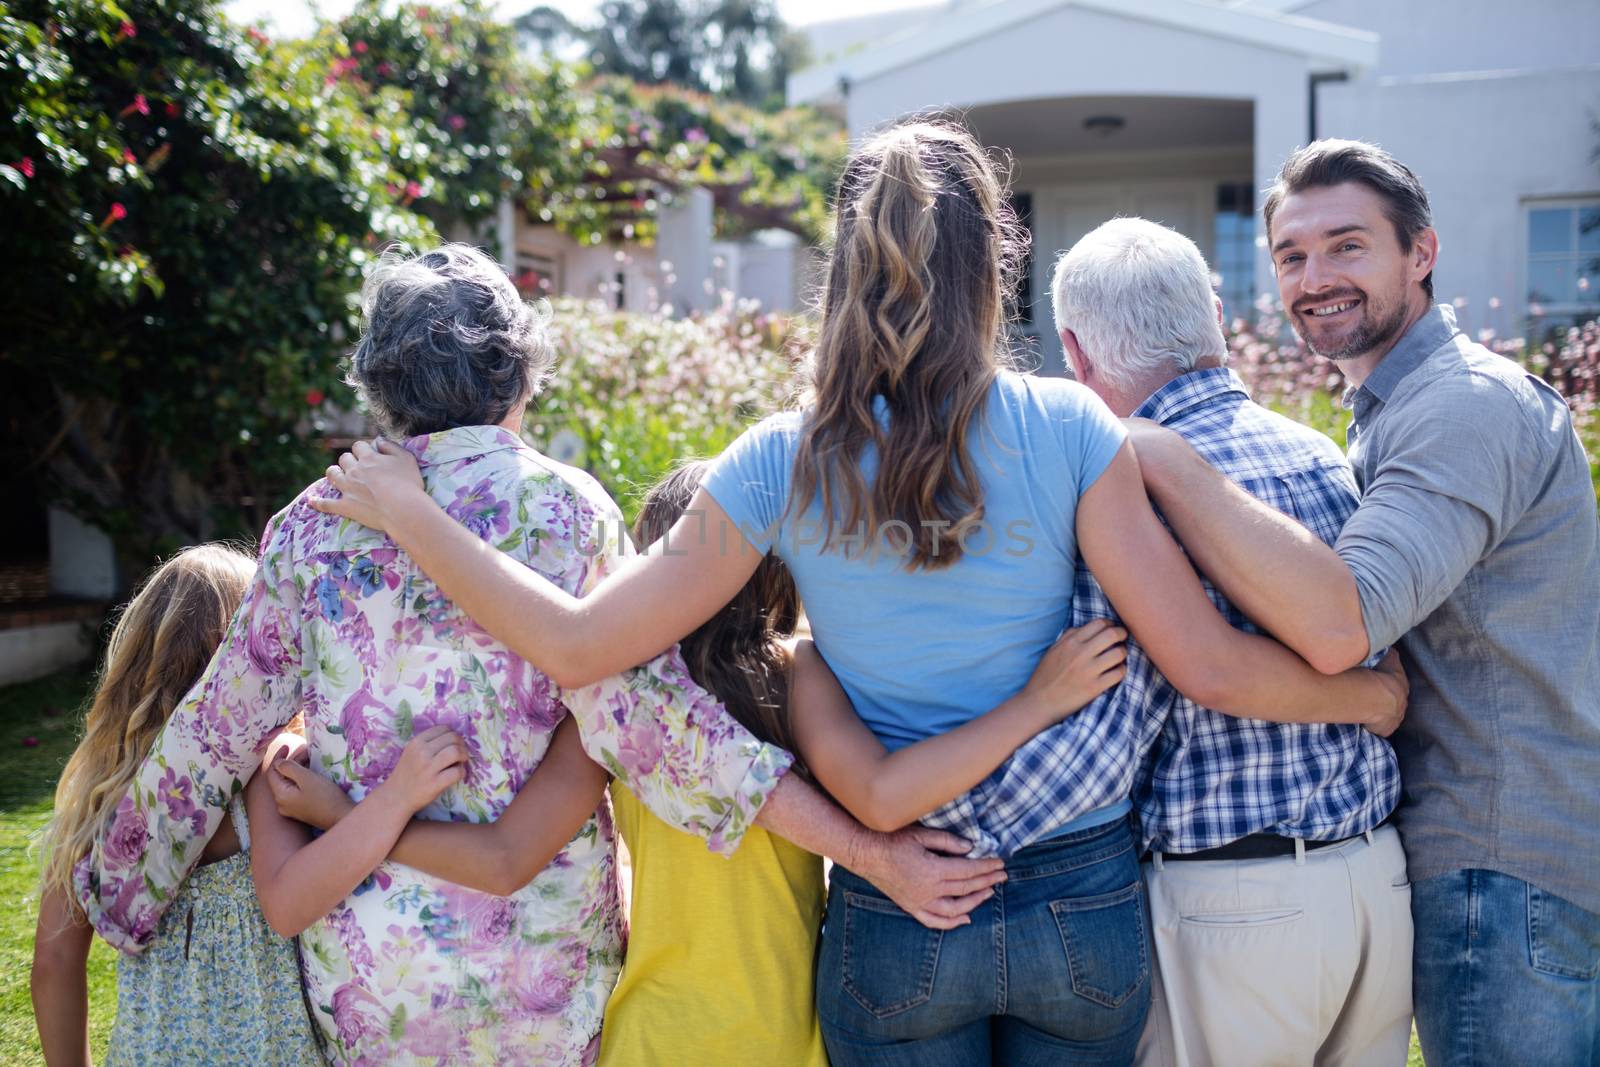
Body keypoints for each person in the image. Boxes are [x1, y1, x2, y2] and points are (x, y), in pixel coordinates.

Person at [314, 123, 1406, 1065]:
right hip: (1079, 889)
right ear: (996, 262)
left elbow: (578, 641)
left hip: (901, 903)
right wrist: (1369, 697)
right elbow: (1203, 662)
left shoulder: (778, 459)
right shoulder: (1073, 427)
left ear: (843, 269)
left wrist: (414, 512)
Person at [71, 244, 997, 1066]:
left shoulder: (316, 527)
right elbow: (658, 723)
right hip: (545, 972)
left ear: (380, 388)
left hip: (372, 975)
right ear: (518, 375)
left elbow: (217, 727)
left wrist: (114, 888)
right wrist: (864, 851)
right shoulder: (567, 511)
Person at [1124, 140, 1600, 1066]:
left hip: (1502, 864)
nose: (1314, 279)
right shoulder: (1406, 402)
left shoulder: (1463, 407)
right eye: (1292, 256)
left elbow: (1344, 621)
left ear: (1420, 252)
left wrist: (1158, 450)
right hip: (1503, 861)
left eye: (1348, 246)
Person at [1038, 217, 1409, 1065]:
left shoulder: (1114, 491)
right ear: (1212, 315)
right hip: (1375, 884)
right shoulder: (1320, 454)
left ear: (1075, 353)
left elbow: (1111, 727)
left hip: (1226, 907)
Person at [32, 544, 462, 1066]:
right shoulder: (264, 771)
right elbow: (300, 893)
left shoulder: (101, 788)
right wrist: (395, 799)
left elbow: (55, 960)